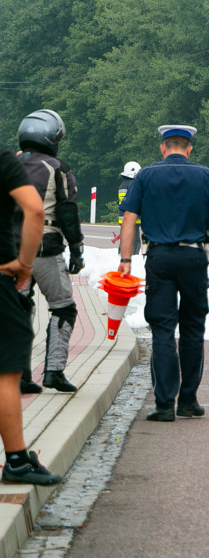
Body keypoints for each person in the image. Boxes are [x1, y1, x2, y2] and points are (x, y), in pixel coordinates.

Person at [118, 125, 209, 422]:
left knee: (162, 329)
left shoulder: (146, 176)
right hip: (194, 257)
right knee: (192, 328)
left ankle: (164, 405)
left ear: (163, 148)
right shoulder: (205, 175)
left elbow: (129, 218)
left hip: (159, 257)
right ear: (189, 149)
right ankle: (188, 401)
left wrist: (125, 259)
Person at [0, 145, 62, 485]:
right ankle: (17, 461)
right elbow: (35, 210)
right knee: (6, 374)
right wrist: (24, 265)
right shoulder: (3, 160)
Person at [16, 109, 84, 394]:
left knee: (17, 309)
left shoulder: (9, 163)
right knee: (63, 307)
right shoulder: (58, 167)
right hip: (44, 246)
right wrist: (77, 248)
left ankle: (17, 375)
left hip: (9, 248)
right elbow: (68, 211)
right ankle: (54, 371)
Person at [118, 161, 142, 256]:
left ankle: (121, 255)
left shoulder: (123, 184)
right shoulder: (132, 184)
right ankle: (134, 257)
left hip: (124, 218)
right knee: (135, 240)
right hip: (132, 218)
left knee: (125, 239)